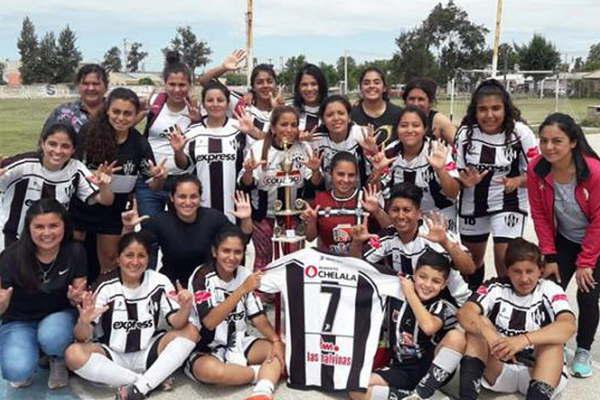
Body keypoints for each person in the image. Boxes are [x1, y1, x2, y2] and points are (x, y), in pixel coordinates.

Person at [65, 231, 199, 400]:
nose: (135, 262)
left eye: (141, 256)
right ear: (119, 259)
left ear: (149, 259)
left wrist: (185, 308)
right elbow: (81, 337)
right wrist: (83, 321)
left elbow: (177, 323)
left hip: (149, 351)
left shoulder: (159, 280)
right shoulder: (105, 285)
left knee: (192, 331)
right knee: (72, 354)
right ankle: (145, 383)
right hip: (112, 355)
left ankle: (137, 389)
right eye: (129, 255)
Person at [455, 238, 575, 400]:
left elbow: (568, 326)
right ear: (508, 271)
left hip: (538, 372)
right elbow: (465, 313)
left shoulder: (550, 289)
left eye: (529, 271)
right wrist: (492, 337)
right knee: (478, 324)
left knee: (554, 343)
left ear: (540, 270)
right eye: (517, 271)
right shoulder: (495, 287)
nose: (524, 279)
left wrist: (523, 340)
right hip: (499, 368)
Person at [527, 112, 600, 378]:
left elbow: (599, 222)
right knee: (550, 288)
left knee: (587, 293)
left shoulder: (593, 171)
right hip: (565, 239)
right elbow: (539, 214)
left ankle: (582, 349)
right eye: (544, 140)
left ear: (572, 142)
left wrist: (587, 263)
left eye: (556, 141)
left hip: (596, 241)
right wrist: (550, 254)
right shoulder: (537, 168)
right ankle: (549, 341)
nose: (548, 147)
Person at [70, 87, 167, 274]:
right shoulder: (89, 132)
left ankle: (105, 298)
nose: (121, 118)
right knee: (77, 259)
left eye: (127, 113)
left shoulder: (139, 144)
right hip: (84, 204)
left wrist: (158, 177)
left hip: (114, 210)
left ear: (136, 115)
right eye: (116, 112)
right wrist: (94, 175)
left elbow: (153, 185)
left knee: (109, 262)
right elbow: (73, 166)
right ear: (107, 110)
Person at [455, 79, 538, 287]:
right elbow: (455, 174)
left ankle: (504, 308)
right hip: (473, 202)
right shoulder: (465, 134)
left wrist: (518, 180)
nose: (489, 115)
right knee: (471, 264)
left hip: (509, 201)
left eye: (496, 108)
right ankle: (474, 299)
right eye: (483, 109)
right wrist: (464, 181)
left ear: (506, 108)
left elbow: (539, 174)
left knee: (505, 261)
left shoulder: (520, 133)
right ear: (475, 111)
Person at [185, 227, 284, 400]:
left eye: (237, 252)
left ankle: (262, 392)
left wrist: (275, 341)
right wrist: (242, 289)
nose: (232, 257)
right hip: (206, 347)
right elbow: (209, 322)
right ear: (215, 252)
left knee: (281, 351)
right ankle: (258, 373)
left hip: (238, 341)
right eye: (226, 251)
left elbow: (258, 317)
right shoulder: (201, 276)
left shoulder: (244, 273)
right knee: (209, 372)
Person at [0, 199, 88, 389]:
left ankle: (57, 358)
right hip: (19, 320)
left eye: (53, 225)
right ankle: (33, 354)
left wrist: (76, 300)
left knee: (52, 337)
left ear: (64, 225)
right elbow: (2, 304)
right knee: (16, 370)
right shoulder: (10, 256)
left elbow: (79, 292)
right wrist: (2, 304)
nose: (47, 233)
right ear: (28, 228)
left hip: (59, 317)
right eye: (39, 226)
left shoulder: (75, 251)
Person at [350, 251, 457, 400]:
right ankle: (425, 398)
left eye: (436, 281)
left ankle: (426, 391)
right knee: (356, 389)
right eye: (422, 277)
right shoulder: (396, 292)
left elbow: (428, 327)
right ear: (414, 273)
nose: (427, 285)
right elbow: (360, 275)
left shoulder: (442, 305)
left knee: (457, 337)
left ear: (444, 285)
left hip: (431, 370)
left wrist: (410, 293)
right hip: (402, 369)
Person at [350, 182, 473, 307]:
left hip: (451, 305)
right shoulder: (387, 237)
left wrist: (445, 242)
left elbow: (470, 269)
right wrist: (356, 243)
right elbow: (356, 267)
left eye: (407, 210)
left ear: (419, 213)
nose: (401, 216)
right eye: (395, 210)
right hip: (410, 306)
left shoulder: (435, 234)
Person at [123, 175, 253, 285]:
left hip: (209, 284)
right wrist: (128, 228)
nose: (188, 202)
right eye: (182, 196)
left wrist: (246, 219)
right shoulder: (160, 221)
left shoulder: (213, 218)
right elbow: (130, 248)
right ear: (172, 198)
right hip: (173, 286)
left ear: (200, 198)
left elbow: (242, 240)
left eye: (193, 196)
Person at [0, 123, 113, 247]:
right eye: (52, 144)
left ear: (73, 149)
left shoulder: (76, 169)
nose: (58, 151)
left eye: (65, 146)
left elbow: (105, 200)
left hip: (50, 241)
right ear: (43, 144)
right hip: (12, 237)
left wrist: (104, 186)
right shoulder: (23, 164)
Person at [238, 105, 322, 272]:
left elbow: (314, 183)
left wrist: (314, 170)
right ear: (274, 127)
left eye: (293, 125)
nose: (289, 129)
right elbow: (246, 184)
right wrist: (248, 171)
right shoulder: (259, 147)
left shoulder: (303, 148)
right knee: (264, 260)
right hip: (264, 216)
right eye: (284, 124)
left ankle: (291, 296)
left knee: (293, 261)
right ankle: (264, 297)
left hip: (294, 217)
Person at [135, 51, 201, 217]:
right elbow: (124, 126)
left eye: (182, 85)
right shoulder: (154, 103)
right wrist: (141, 113)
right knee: (150, 232)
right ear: (165, 84)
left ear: (190, 86)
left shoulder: (196, 109)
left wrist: (197, 121)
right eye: (172, 84)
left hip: (182, 182)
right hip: (150, 180)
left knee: (181, 234)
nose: (177, 90)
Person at [374, 105, 460, 232]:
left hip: (439, 217)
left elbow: (453, 193)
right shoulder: (390, 152)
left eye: (415, 125)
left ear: (425, 129)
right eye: (404, 125)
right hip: (404, 218)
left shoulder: (437, 150)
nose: (410, 130)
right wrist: (377, 171)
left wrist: (441, 170)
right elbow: (375, 190)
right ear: (397, 129)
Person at [170, 80, 246, 221]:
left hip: (235, 207)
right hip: (201, 207)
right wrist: (178, 151)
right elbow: (184, 165)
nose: (215, 104)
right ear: (203, 104)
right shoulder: (193, 131)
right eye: (210, 100)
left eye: (220, 100)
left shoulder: (239, 128)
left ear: (227, 103)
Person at [302, 151, 391, 255]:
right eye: (340, 174)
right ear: (331, 173)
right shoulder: (320, 199)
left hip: (362, 263)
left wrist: (377, 211)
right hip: (330, 265)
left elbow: (391, 229)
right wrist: (312, 221)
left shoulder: (367, 198)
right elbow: (310, 237)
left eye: (351, 175)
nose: (346, 180)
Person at [198, 49, 283, 144]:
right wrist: (223, 67)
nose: (265, 85)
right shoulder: (241, 104)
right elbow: (204, 82)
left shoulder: (286, 109)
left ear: (276, 84)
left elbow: (284, 141)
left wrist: (279, 111)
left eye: (270, 81)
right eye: (259, 82)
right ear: (253, 87)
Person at [312, 95, 377, 189]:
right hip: (329, 195)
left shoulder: (362, 135)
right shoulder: (316, 140)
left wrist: (373, 152)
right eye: (329, 115)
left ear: (349, 117)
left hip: (359, 194)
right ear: (323, 120)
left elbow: (373, 176)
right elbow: (316, 182)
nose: (336, 118)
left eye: (341, 113)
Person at [42, 64, 108, 136]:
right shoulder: (61, 113)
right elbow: (45, 142)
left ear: (106, 86)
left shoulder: (116, 113)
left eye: (96, 84)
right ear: (78, 86)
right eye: (85, 83)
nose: (91, 88)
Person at [350, 66, 402, 146]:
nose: (371, 86)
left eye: (376, 82)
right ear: (360, 88)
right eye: (366, 83)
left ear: (384, 87)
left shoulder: (399, 114)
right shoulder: (351, 115)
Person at [402, 78, 456, 143]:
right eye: (411, 99)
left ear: (430, 102)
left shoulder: (440, 121)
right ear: (405, 101)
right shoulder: (399, 118)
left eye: (421, 99)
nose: (415, 103)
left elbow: (459, 146)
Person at [293, 63, 328, 131]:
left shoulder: (331, 111)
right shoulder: (291, 112)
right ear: (298, 88)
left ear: (321, 85)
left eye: (314, 84)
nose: (309, 89)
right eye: (304, 85)